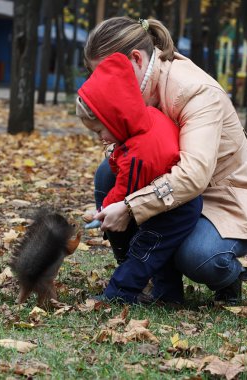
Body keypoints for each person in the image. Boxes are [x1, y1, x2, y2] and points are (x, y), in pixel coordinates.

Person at [80, 16, 247, 305]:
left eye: (105, 75)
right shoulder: (135, 92)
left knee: (196, 256)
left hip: (226, 196)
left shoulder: (195, 92)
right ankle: (140, 276)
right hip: (177, 193)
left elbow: (193, 176)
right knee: (106, 176)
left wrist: (130, 207)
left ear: (136, 59)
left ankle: (229, 276)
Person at [76, 52, 202, 304]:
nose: (100, 137)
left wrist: (102, 212)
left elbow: (124, 193)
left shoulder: (137, 154)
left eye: (100, 129)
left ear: (117, 117)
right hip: (172, 199)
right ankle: (168, 296)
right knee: (159, 251)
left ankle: (118, 294)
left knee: (144, 250)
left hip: (174, 208)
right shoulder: (147, 118)